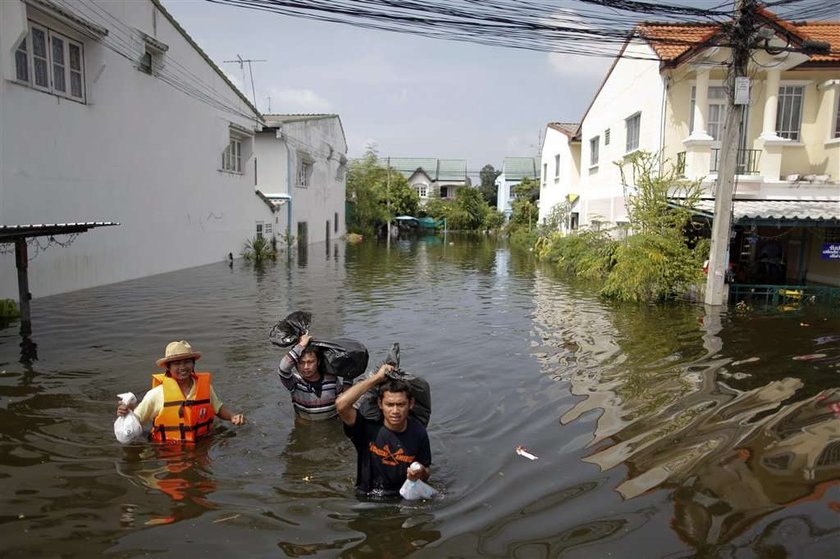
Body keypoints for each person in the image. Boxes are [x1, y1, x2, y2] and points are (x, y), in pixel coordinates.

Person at [117, 340, 245, 443]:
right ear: (168, 367)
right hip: (166, 450)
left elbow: (218, 408)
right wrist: (127, 412)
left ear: (193, 364)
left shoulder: (205, 388)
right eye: (177, 364)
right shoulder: (156, 394)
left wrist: (232, 416)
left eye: (187, 362)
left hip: (201, 444)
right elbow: (137, 419)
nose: (183, 367)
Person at [336, 363, 431, 498]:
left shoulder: (418, 432)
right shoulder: (366, 427)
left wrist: (420, 473)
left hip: (401, 497)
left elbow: (426, 471)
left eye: (401, 404)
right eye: (389, 404)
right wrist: (377, 378)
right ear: (380, 404)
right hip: (367, 495)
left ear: (411, 404)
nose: (395, 411)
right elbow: (341, 404)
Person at [277, 333, 351, 420]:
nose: (306, 367)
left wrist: (348, 376)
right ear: (296, 364)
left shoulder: (331, 379)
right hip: (305, 425)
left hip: (331, 423)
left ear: (318, 362)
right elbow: (283, 369)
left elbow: (344, 401)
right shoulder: (295, 382)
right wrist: (301, 345)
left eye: (310, 362)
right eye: (301, 363)